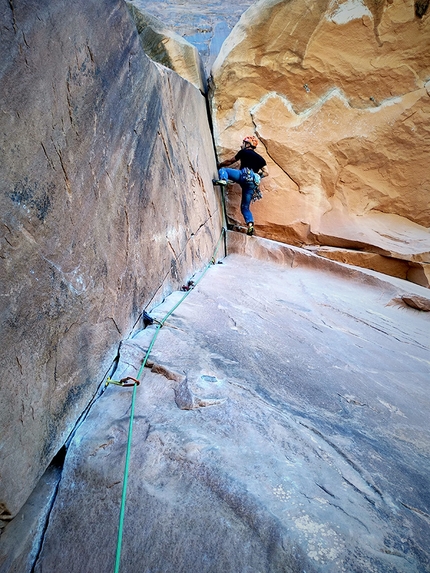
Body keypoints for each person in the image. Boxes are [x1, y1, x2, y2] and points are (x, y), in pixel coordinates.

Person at [213, 136, 269, 236]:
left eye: (243, 143)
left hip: (243, 175)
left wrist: (219, 165)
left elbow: (230, 161)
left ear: (248, 145)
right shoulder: (261, 159)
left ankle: (223, 180)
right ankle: (250, 224)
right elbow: (266, 173)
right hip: (252, 183)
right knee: (245, 207)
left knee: (224, 171)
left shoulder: (244, 152)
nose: (241, 145)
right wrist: (256, 176)